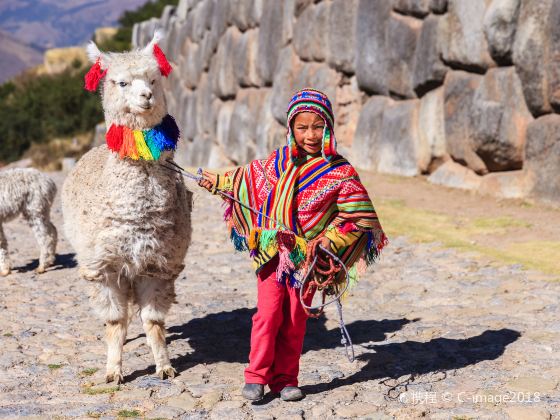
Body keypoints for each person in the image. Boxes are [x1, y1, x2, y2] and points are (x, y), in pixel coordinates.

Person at [198, 88, 387, 401]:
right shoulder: (277, 163)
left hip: (309, 259)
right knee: (269, 313)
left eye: (318, 126)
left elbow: (357, 218)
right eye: (302, 127)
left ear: (328, 127)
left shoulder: (340, 171)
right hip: (273, 252)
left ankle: (286, 378)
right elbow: (245, 177)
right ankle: (256, 375)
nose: (310, 134)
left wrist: (330, 237)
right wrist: (215, 181)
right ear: (291, 128)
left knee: (296, 317)